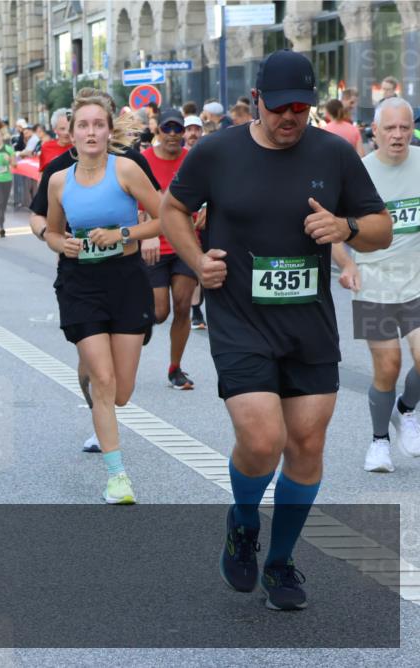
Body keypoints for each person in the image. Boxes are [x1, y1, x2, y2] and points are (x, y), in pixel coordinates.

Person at [161, 50, 392, 611]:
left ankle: (281, 561)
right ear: (258, 100)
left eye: (302, 108)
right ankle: (242, 523)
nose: (291, 117)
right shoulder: (217, 151)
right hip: (240, 319)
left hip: (308, 325)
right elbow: (171, 209)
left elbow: (381, 229)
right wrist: (196, 260)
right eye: (281, 106)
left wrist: (348, 226)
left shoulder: (335, 153)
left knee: (308, 444)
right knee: (263, 440)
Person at [45, 95, 163, 504]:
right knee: (104, 381)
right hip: (81, 285)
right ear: (72, 133)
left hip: (127, 281)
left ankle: (92, 380)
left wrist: (124, 235)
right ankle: (117, 477)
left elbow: (168, 217)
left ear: (109, 130)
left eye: (99, 124)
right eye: (83, 125)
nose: (91, 132)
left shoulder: (126, 169)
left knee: (122, 392)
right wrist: (64, 245)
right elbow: (52, 233)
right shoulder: (60, 180)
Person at [332, 97, 420, 472]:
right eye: (390, 129)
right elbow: (333, 230)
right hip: (374, 283)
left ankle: (408, 409)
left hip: (416, 281)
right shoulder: (360, 173)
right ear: (375, 131)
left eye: (405, 128)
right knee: (388, 366)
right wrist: (348, 263)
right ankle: (379, 441)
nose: (398, 135)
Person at [140, 108, 199, 390]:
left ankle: (175, 368)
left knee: (184, 305)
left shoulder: (193, 160)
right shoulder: (143, 161)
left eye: (178, 129)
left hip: (186, 243)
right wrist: (147, 234)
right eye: (168, 129)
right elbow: (133, 202)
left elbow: (210, 190)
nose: (173, 134)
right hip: (155, 246)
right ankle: (141, 320)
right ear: (158, 131)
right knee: (160, 312)